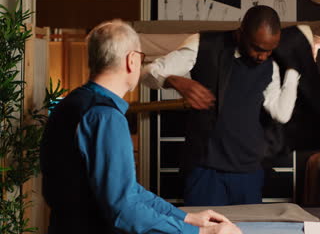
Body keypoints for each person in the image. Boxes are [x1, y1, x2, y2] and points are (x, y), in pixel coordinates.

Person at [40, 20, 242, 234]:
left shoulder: (73, 102)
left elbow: (129, 192)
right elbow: (124, 209)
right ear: (132, 60)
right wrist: (201, 233)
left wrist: (188, 218)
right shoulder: (105, 116)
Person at [141, 6, 301, 206]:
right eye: (258, 48)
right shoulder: (203, 44)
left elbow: (281, 113)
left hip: (249, 172)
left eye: (269, 50)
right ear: (240, 33)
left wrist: (294, 72)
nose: (263, 56)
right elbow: (148, 73)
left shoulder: (271, 63)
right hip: (205, 170)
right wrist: (173, 80)